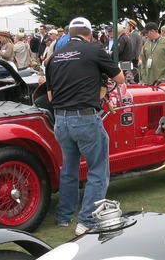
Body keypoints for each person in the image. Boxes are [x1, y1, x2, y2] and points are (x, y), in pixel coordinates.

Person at [45, 17, 126, 235]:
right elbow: (119, 78)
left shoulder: (53, 58)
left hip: (61, 119)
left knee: (69, 170)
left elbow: (51, 96)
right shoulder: (94, 51)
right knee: (98, 170)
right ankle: (87, 221)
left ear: (69, 33)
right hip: (85, 117)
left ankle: (64, 216)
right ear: (89, 34)